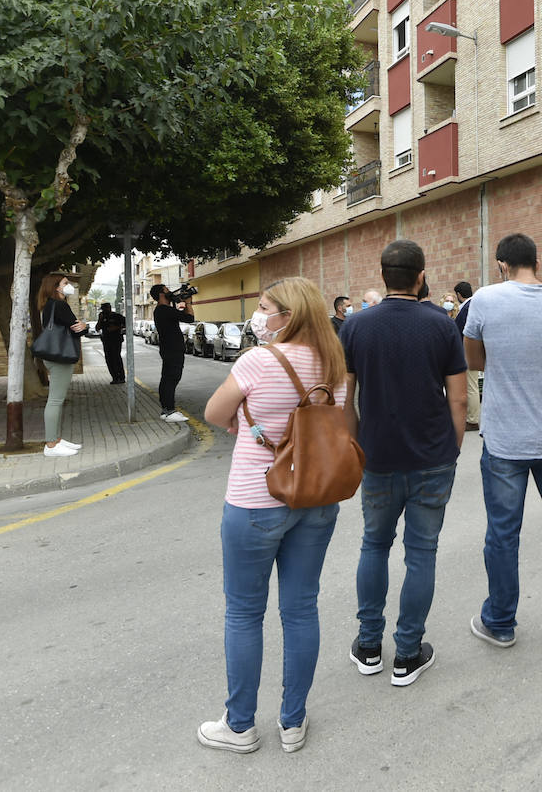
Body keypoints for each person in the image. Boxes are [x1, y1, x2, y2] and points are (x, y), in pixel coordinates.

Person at [198, 276, 350, 754]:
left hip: (255, 500)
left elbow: (213, 413)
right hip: (315, 498)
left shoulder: (258, 361)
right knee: (301, 609)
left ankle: (240, 726)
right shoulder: (334, 367)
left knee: (244, 613)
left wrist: (246, 422)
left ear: (289, 315)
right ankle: (293, 721)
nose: (259, 316)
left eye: (265, 308)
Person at [341, 240, 468, 688]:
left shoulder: (355, 326)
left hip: (376, 458)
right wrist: (451, 450)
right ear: (421, 277)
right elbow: (459, 399)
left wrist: (356, 446)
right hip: (432, 457)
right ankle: (408, 654)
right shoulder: (442, 325)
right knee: (421, 553)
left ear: (383, 276)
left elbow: (345, 399)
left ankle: (369, 646)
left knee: (374, 545)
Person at [462, 233, 542, 644]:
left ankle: (500, 623)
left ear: (502, 264)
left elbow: (473, 360)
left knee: (503, 533)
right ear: (538, 261)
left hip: (506, 440)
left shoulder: (485, 299)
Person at [37, 274, 87, 457]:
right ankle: (51, 445)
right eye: (65, 283)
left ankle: (56, 439)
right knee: (56, 400)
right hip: (60, 358)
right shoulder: (59, 305)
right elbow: (76, 328)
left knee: (56, 399)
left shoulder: (49, 305)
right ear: (56, 287)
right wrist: (84, 326)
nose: (69, 285)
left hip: (53, 356)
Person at [151, 283, 194, 424]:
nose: (170, 292)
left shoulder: (161, 310)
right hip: (173, 349)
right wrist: (188, 303)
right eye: (167, 290)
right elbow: (189, 318)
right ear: (161, 294)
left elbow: (181, 316)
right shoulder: (164, 310)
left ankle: (166, 410)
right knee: (171, 379)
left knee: (167, 378)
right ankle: (169, 411)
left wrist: (180, 301)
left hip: (168, 348)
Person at [453, 281, 480, 430]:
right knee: (471, 385)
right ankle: (471, 417)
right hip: (470, 352)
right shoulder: (472, 305)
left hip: (468, 353)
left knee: (471, 386)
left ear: (459, 295)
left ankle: (473, 420)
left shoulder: (468, 308)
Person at [97, 301, 127, 384]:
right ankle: (114, 377)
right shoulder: (102, 317)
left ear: (109, 308)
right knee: (109, 359)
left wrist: (116, 327)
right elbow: (97, 328)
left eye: (104, 309)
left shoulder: (117, 316)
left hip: (116, 340)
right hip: (106, 341)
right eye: (102, 310)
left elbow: (127, 324)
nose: (103, 311)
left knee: (116, 358)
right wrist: (100, 319)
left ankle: (121, 377)